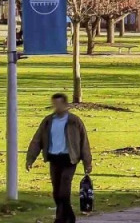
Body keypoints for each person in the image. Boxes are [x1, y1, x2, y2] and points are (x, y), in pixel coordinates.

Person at [26, 93, 92, 223]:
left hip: (69, 159)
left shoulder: (74, 121)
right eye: (54, 104)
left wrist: (87, 162)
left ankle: (60, 218)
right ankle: (69, 217)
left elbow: (84, 142)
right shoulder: (48, 121)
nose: (56, 107)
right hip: (54, 159)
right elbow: (37, 140)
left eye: (59, 104)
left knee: (64, 190)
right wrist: (30, 158)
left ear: (66, 105)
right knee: (56, 192)